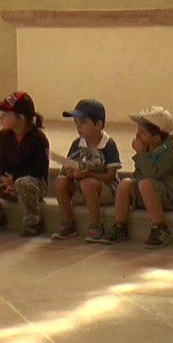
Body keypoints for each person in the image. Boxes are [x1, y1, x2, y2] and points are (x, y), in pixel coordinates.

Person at [99, 106, 173, 248]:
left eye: (142, 132)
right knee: (125, 184)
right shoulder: (148, 146)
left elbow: (151, 174)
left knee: (146, 184)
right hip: (149, 191)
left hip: (171, 196)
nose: (137, 135)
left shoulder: (170, 151)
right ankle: (120, 225)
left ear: (156, 138)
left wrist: (142, 153)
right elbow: (139, 175)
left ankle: (160, 227)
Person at [0, 91, 50, 237]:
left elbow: (40, 169)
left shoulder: (38, 138)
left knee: (23, 183)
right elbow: (0, 161)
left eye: (6, 114)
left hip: (33, 183)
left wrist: (15, 179)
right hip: (10, 182)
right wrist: (4, 179)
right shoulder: (4, 135)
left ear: (21, 117)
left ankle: (33, 222)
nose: (1, 117)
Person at [50, 99, 121, 242]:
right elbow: (67, 166)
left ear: (99, 125)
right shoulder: (77, 144)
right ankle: (68, 222)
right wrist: (69, 173)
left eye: (83, 122)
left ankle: (96, 224)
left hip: (104, 190)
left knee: (87, 183)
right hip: (80, 187)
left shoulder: (108, 144)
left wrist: (88, 174)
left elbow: (110, 176)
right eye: (76, 123)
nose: (78, 127)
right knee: (60, 181)